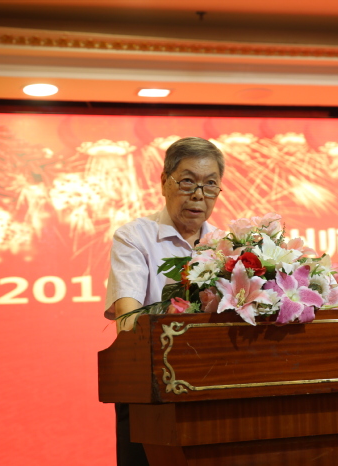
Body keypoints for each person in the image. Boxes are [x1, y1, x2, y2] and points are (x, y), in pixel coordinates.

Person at [104, 137, 225, 466]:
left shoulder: (225, 245)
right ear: (164, 182)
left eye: (210, 184)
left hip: (212, 389)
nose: (198, 194)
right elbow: (128, 322)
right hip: (151, 388)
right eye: (187, 181)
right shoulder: (135, 237)